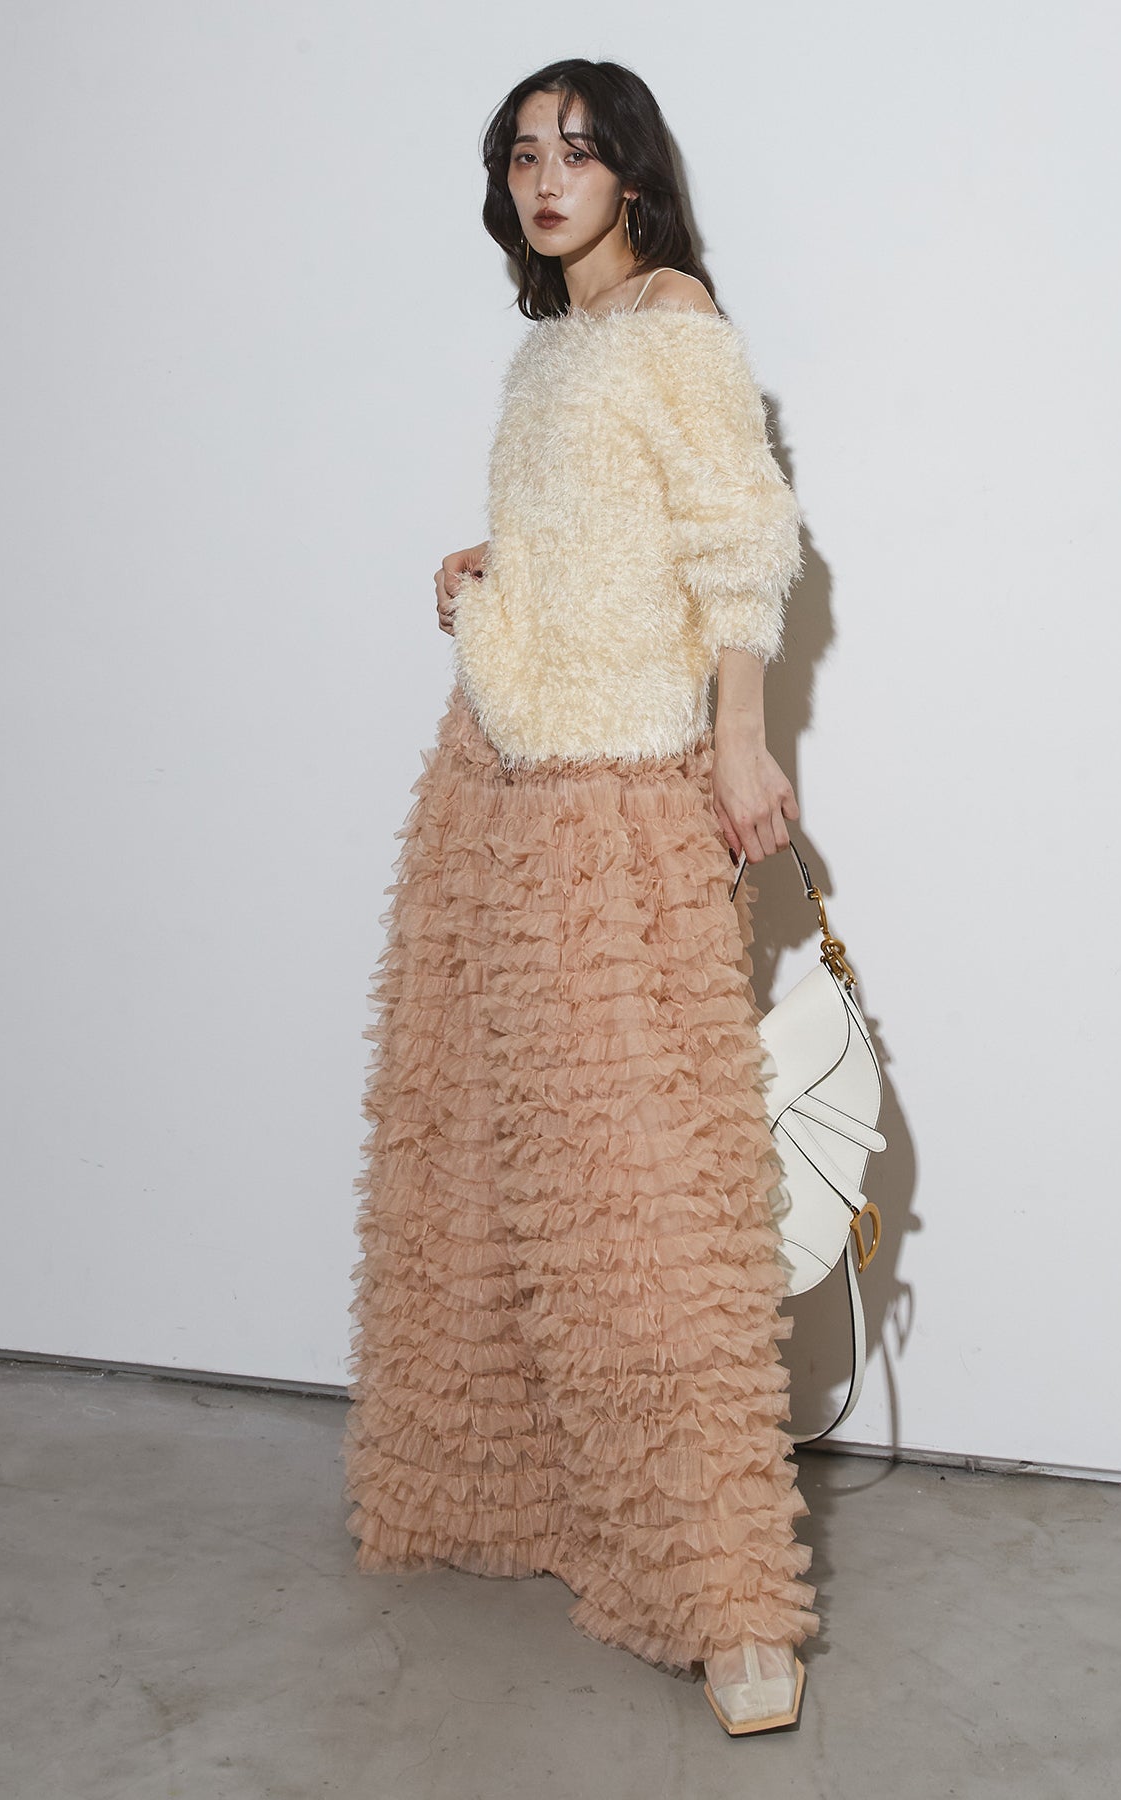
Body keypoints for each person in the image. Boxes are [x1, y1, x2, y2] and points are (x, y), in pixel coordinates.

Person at [341, 58, 821, 1737]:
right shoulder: (551, 342)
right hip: (494, 776)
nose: (548, 178)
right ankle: (533, 1496)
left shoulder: (675, 319)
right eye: (524, 155)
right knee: (482, 1157)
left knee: (644, 1196)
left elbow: (742, 548)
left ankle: (730, 1595)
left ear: (633, 174)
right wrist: (495, 569)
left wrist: (740, 745)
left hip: (620, 790)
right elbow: (598, 535)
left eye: (580, 150)